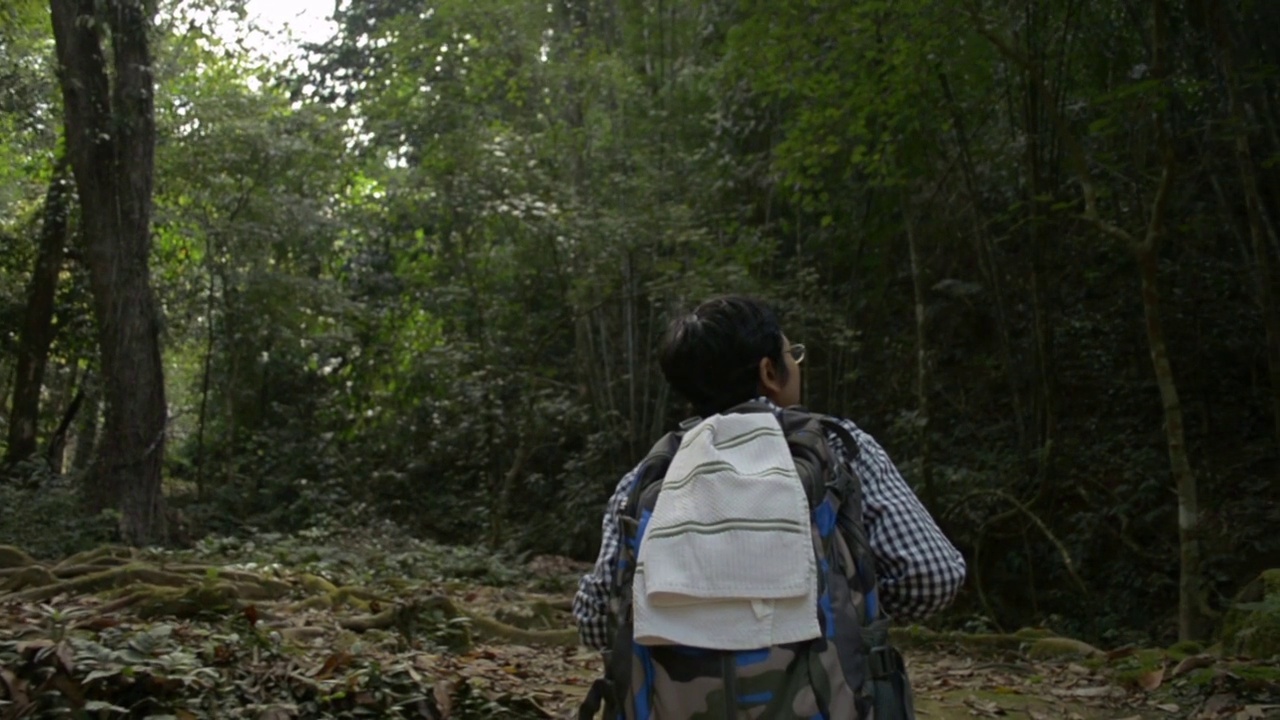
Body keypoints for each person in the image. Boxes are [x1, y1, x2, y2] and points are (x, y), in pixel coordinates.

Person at [572, 294, 966, 719]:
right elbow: (933, 578)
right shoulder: (840, 449)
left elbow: (594, 623)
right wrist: (846, 597)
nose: (797, 363)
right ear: (769, 372)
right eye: (791, 354)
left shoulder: (648, 477)